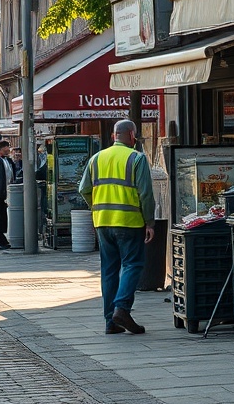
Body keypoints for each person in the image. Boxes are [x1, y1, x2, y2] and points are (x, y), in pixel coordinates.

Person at [78, 119, 155, 335]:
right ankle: (121, 309)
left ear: (114, 136)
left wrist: (97, 207)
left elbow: (83, 189)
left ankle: (110, 321)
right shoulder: (136, 158)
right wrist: (150, 222)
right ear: (131, 136)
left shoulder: (96, 158)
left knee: (109, 270)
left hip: (103, 222)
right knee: (133, 264)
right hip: (129, 222)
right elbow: (146, 194)